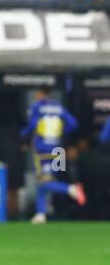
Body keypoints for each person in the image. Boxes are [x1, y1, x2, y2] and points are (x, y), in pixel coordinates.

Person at [23, 89, 86, 223]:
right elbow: (74, 124)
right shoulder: (58, 107)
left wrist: (22, 135)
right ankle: (41, 214)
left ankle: (71, 189)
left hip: (43, 150)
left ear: (40, 94)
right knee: (45, 181)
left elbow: (32, 125)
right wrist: (61, 133)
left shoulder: (37, 107)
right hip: (58, 149)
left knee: (43, 181)